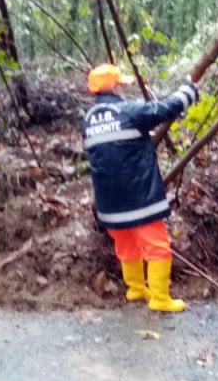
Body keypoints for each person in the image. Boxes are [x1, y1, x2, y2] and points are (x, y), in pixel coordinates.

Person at [84, 64, 198, 313]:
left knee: (126, 247)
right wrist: (189, 91)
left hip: (109, 204)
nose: (123, 88)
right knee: (157, 247)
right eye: (121, 84)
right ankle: (160, 298)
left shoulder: (88, 119)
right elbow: (165, 108)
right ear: (114, 86)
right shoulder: (129, 111)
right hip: (140, 198)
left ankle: (135, 289)